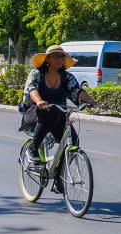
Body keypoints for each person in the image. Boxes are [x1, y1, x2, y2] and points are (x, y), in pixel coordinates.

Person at [21, 45, 97, 181]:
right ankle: (33, 148)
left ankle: (58, 176)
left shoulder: (66, 77)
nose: (59, 59)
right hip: (35, 111)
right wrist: (39, 101)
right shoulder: (37, 73)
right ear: (48, 59)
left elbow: (77, 90)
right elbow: (31, 89)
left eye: (61, 56)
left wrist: (89, 100)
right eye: (55, 56)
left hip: (57, 112)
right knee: (50, 113)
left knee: (73, 141)